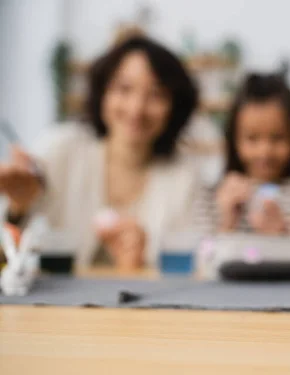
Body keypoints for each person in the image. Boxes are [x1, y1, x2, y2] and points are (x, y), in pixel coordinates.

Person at [0, 36, 210, 270]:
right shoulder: (60, 150)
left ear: (175, 106)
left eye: (156, 94)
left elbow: (202, 264)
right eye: (124, 89)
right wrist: (19, 207)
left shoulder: (186, 177)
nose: (136, 108)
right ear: (102, 93)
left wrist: (142, 263)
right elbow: (10, 252)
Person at [214, 73, 290, 235]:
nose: (265, 152)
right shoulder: (214, 198)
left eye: (277, 138)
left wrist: (279, 237)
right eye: (252, 139)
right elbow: (200, 256)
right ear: (233, 140)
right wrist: (227, 222)